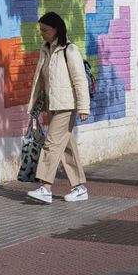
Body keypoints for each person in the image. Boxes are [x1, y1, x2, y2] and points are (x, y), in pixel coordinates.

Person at [25, 11, 91, 204]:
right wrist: (35, 105)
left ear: (56, 29)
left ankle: (45, 188)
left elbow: (80, 80)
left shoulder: (69, 50)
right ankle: (79, 188)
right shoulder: (45, 50)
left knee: (51, 144)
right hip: (52, 105)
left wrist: (83, 107)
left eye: (45, 30)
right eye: (40, 30)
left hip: (66, 106)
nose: (41, 33)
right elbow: (40, 80)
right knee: (66, 147)